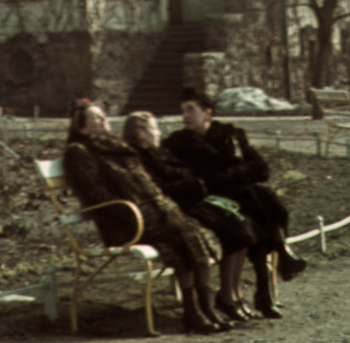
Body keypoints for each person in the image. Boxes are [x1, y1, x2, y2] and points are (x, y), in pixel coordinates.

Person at [64, 99, 228, 333]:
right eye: (96, 117)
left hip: (152, 215)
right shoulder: (79, 152)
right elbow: (97, 196)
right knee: (181, 235)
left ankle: (205, 307)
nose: (104, 120)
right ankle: (192, 311)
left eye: (103, 115)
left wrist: (158, 208)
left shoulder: (115, 147)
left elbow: (148, 185)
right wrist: (138, 213)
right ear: (81, 126)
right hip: (125, 223)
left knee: (195, 231)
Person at [124, 111, 274, 321]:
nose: (158, 133)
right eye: (154, 128)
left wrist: (198, 185)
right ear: (141, 133)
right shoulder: (141, 158)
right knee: (230, 229)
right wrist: (196, 186)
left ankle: (232, 294)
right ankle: (217, 301)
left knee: (242, 224)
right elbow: (161, 189)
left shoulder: (159, 153)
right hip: (177, 208)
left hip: (190, 201)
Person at [162, 88, 309, 290]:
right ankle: (275, 265)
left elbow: (260, 168)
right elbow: (189, 179)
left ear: (207, 112)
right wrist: (227, 177)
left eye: (190, 110)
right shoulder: (177, 143)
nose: (185, 116)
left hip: (236, 195)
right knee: (257, 201)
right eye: (183, 111)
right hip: (207, 200)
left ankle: (265, 282)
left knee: (262, 199)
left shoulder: (229, 135)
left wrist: (227, 176)